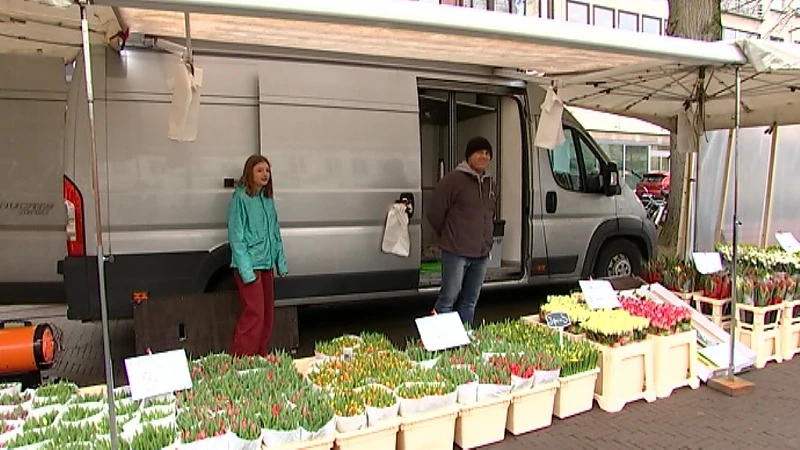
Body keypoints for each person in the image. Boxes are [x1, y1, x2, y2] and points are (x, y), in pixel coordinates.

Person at [426, 136, 496, 326]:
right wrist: (450, 235)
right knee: (448, 298)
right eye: (480, 152)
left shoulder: (490, 183)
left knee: (470, 301)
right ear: (469, 156)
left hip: (481, 254)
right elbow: (434, 213)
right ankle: (439, 340)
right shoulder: (452, 180)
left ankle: (463, 341)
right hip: (456, 252)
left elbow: (489, 214)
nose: (484, 156)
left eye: (487, 153)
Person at [227, 154, 289, 357]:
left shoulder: (267, 199)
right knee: (254, 314)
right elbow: (236, 236)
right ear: (249, 172)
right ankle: (242, 359)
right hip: (250, 265)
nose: (265, 174)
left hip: (266, 265)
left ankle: (260, 355)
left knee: (267, 315)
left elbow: (275, 233)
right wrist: (246, 270)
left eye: (267, 170)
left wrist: (280, 263)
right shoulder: (240, 197)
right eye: (259, 170)